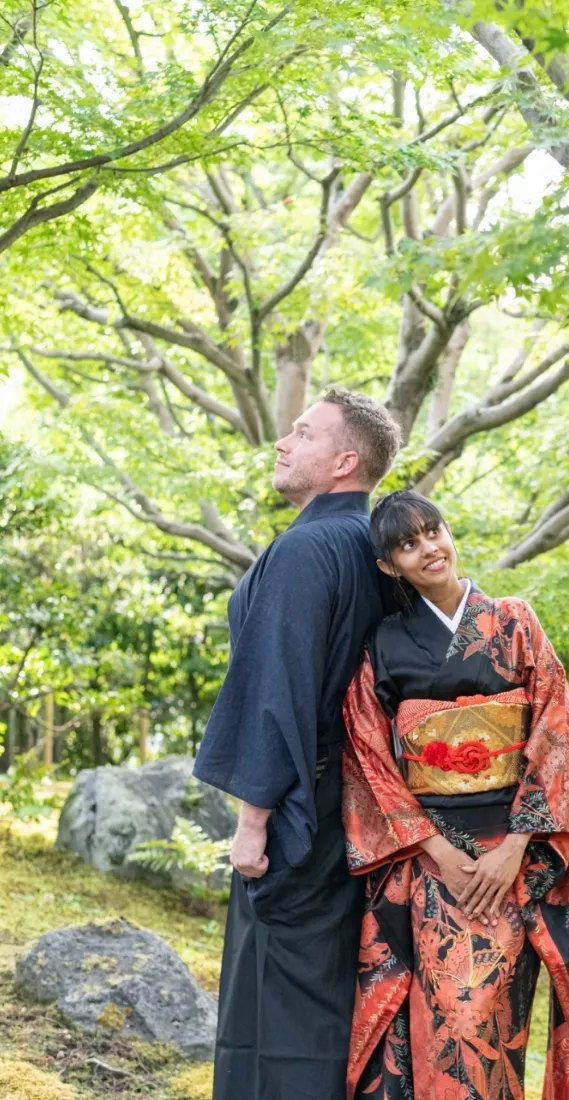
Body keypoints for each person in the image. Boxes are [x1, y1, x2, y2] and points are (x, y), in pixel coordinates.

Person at [341, 490, 569, 1100]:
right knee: (450, 1021)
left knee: (498, 1023)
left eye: (432, 532)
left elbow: (554, 729)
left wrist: (516, 846)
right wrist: (436, 851)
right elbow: (368, 755)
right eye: (407, 545)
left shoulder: (515, 621)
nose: (428, 549)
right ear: (390, 566)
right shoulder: (384, 643)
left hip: (518, 855)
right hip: (437, 863)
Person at [193, 388, 400, 1100]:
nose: (283, 441)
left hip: (295, 812)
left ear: (345, 461)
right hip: (352, 808)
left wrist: (252, 822)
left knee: (274, 1006)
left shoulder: (309, 548)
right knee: (320, 999)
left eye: (303, 433)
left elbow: (278, 689)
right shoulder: (371, 547)